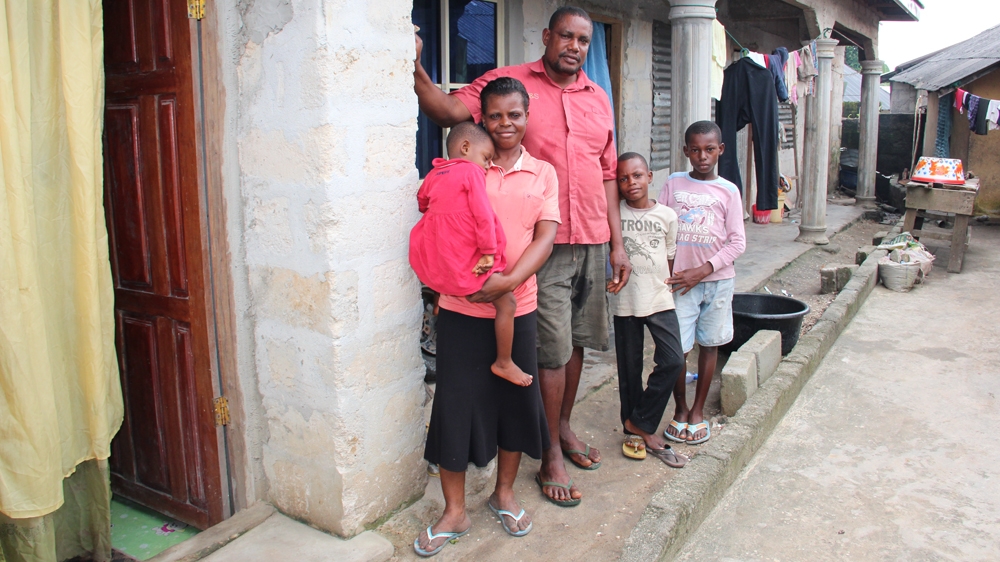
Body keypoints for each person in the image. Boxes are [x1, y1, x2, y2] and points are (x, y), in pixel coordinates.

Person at [414, 5, 629, 506]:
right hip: (539, 245)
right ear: (546, 36)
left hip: (592, 236)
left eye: (583, 40)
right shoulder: (508, 83)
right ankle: (549, 449)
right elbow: (447, 113)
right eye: (565, 37)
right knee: (548, 349)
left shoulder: (598, 97)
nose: (574, 46)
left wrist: (617, 243)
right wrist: (415, 65)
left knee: (577, 342)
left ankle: (565, 428)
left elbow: (607, 172)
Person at [414, 77, 560, 556]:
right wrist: (444, 283)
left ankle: (503, 494)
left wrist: (508, 282)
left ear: (526, 115)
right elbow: (435, 222)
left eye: (513, 115)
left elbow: (545, 236)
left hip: (517, 305)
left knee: (514, 403)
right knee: (454, 403)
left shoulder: (542, 173)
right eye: (495, 115)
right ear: (482, 119)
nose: (504, 124)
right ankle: (454, 511)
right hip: (460, 307)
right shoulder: (464, 165)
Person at [409, 122, 532, 387]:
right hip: (467, 258)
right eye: (486, 158)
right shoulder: (471, 172)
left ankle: (445, 298)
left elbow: (421, 202)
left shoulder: (435, 173)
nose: (488, 165)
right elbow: (483, 214)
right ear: (466, 148)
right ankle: (504, 362)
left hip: (444, 258)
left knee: (453, 291)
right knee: (508, 303)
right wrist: (488, 252)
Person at [659, 121, 746, 446]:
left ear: (720, 150)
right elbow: (662, 227)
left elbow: (737, 243)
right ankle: (680, 409)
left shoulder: (729, 191)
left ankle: (697, 411)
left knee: (709, 345)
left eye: (709, 149)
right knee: (677, 351)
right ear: (686, 151)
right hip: (680, 284)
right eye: (695, 150)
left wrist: (703, 270)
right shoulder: (674, 183)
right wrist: (667, 271)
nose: (702, 156)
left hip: (717, 283)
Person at [609, 153, 688, 468]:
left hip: (658, 296)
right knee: (629, 369)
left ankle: (640, 421)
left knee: (672, 359)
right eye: (624, 179)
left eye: (638, 176)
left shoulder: (667, 215)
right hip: (624, 297)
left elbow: (669, 255)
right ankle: (632, 426)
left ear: (651, 176)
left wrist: (667, 284)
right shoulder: (613, 213)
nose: (631, 183)